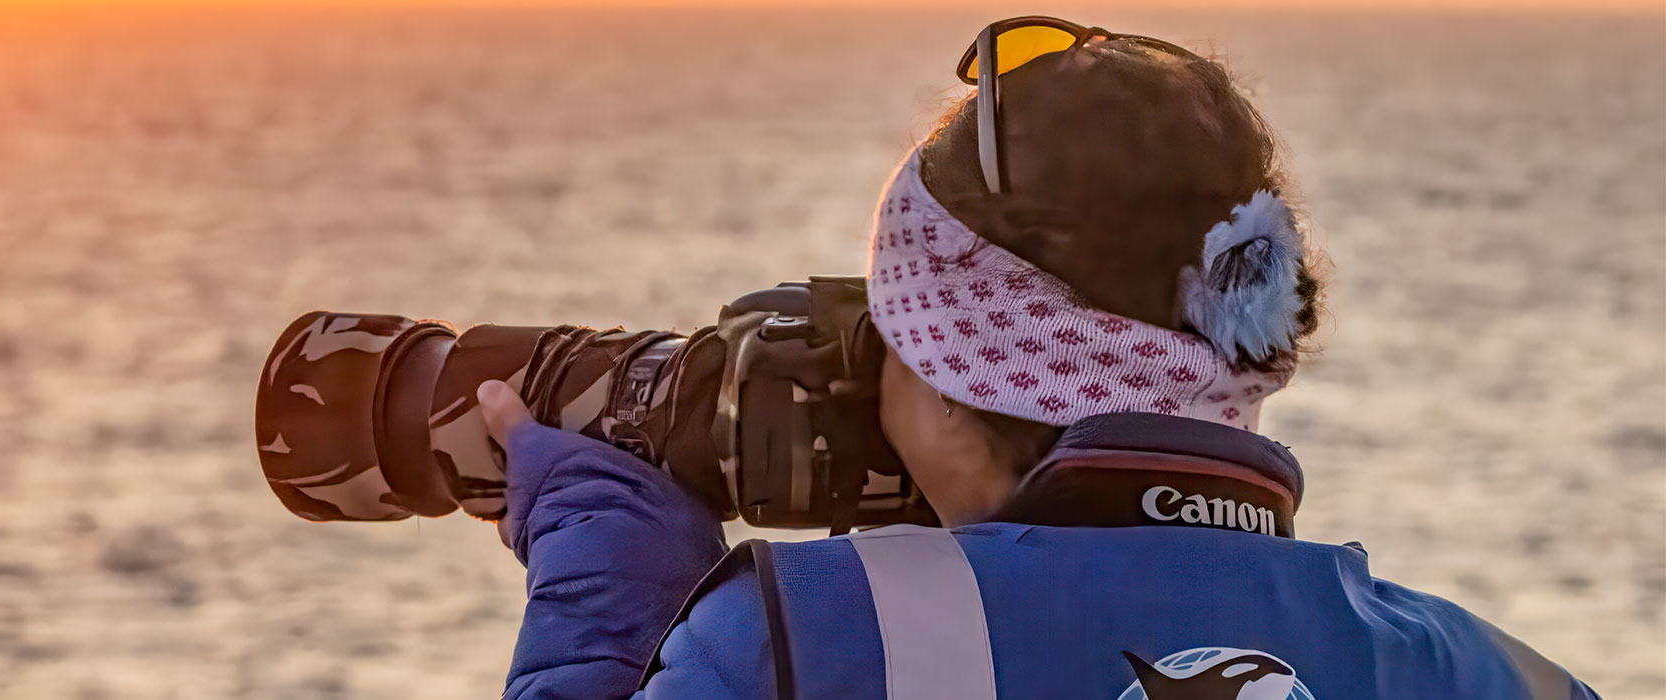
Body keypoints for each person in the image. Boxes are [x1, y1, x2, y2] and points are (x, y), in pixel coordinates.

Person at [482, 17, 1598, 700]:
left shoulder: (798, 639)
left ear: (950, 372)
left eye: (890, 333)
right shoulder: (1495, 676)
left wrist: (608, 598)